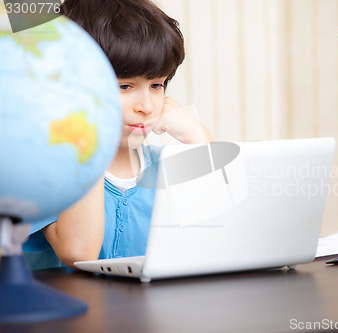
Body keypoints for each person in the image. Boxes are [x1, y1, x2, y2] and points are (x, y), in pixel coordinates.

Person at [23, 0, 212, 270]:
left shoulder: (166, 168)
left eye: (157, 85)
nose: (146, 106)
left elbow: (229, 239)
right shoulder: (46, 171)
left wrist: (200, 140)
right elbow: (78, 251)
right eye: (124, 86)